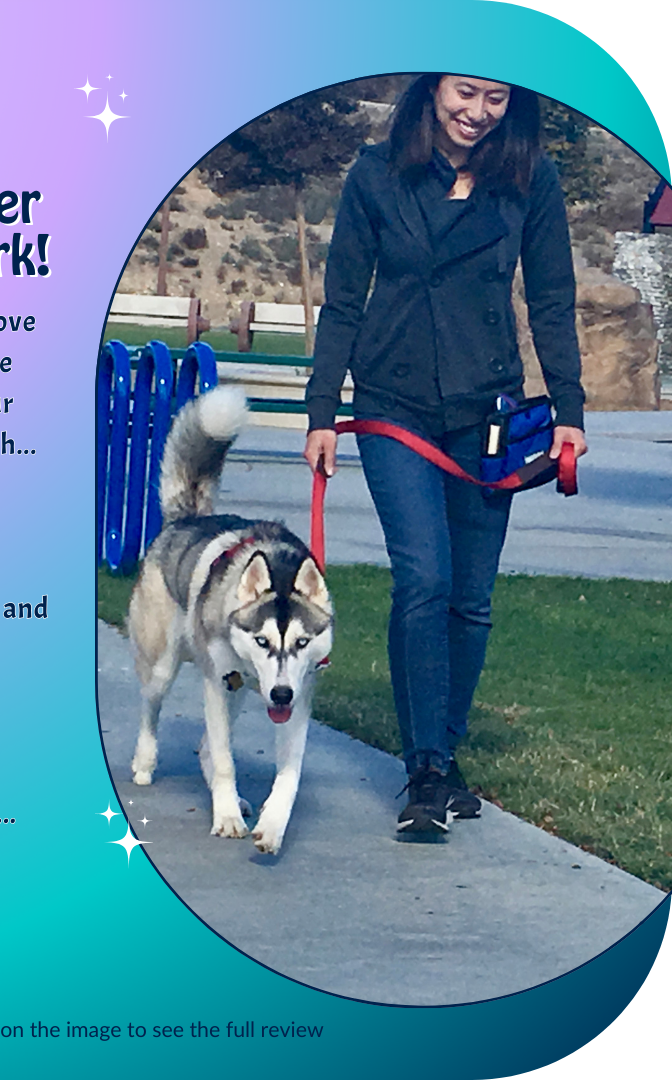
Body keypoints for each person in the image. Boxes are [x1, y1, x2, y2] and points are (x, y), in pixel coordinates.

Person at [303, 74, 588, 835]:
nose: (477, 112)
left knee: (472, 597)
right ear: (431, 90)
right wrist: (323, 411)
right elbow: (343, 300)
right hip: (394, 406)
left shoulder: (532, 177)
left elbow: (553, 300)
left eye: (497, 99)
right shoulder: (376, 172)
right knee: (424, 578)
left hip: (487, 413)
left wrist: (569, 410)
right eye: (466, 92)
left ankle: (447, 751)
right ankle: (425, 770)